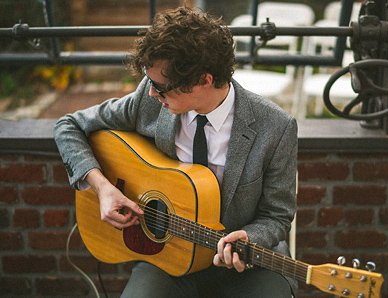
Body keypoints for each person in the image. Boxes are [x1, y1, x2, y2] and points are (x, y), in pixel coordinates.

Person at [54, 7, 297, 298]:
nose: (153, 94)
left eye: (162, 87)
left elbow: (277, 215)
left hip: (249, 266)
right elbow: (68, 126)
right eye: (150, 82)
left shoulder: (276, 126)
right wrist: (102, 187)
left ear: (204, 80)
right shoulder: (150, 98)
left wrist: (249, 238)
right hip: (167, 259)